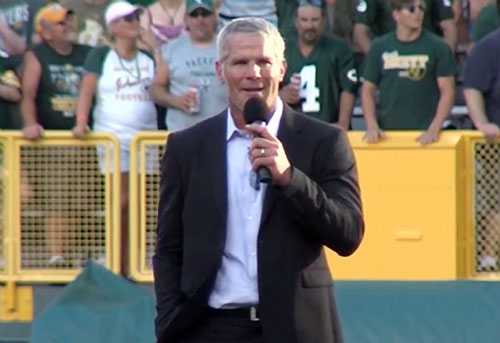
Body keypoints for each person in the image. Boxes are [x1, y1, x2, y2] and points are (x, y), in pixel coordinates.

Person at [154, 17, 364, 343]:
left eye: (263, 62)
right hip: (211, 328)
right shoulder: (187, 147)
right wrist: (169, 319)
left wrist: (290, 179)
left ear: (281, 69)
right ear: (220, 70)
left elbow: (348, 234)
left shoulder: (324, 141)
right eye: (240, 62)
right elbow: (169, 247)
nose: (253, 73)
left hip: (297, 327)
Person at [73, 1, 158, 275]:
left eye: (136, 17)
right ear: (113, 26)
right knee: (120, 201)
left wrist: (154, 45)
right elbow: (86, 91)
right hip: (113, 137)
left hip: (145, 139)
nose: (135, 22)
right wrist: (81, 122)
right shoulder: (101, 55)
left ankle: (132, 262)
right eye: (128, 18)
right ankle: (117, 265)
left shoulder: (149, 58)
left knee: (140, 203)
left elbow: (166, 80)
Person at [20, 3, 92, 266]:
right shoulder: (38, 55)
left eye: (69, 21)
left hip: (83, 138)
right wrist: (30, 124)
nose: (69, 25)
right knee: (58, 198)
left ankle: (78, 255)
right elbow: (27, 95)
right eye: (61, 23)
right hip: (53, 139)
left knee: (82, 199)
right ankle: (57, 255)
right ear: (46, 31)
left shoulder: (87, 52)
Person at [361, 0, 456, 145]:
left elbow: (448, 91)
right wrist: (371, 124)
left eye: (421, 8)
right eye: (411, 9)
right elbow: (368, 89)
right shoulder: (379, 47)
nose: (418, 13)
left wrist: (434, 128)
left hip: (427, 137)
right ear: (396, 15)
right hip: (388, 135)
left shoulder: (439, 47)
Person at [150, 0, 227, 131]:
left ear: (215, 16)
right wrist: (175, 101)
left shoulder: (228, 47)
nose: (200, 20)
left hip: (221, 131)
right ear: (186, 19)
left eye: (205, 14)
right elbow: (156, 89)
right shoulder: (172, 49)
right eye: (194, 15)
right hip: (182, 133)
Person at [280, 0, 358, 129]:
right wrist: (280, 95)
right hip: (292, 129)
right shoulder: (283, 48)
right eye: (304, 20)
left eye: (315, 20)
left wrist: (343, 122)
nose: (309, 26)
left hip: (329, 126)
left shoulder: (339, 48)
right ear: (296, 21)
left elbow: (348, 88)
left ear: (323, 22)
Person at [463, 27, 500, 270]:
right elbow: (472, 87)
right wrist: (482, 123)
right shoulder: (490, 45)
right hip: (497, 145)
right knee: (498, 201)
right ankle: (489, 258)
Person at [353, 0, 457, 54]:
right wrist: (375, 59)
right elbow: (360, 30)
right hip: (389, 53)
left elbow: (449, 26)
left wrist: (445, 59)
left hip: (428, 52)